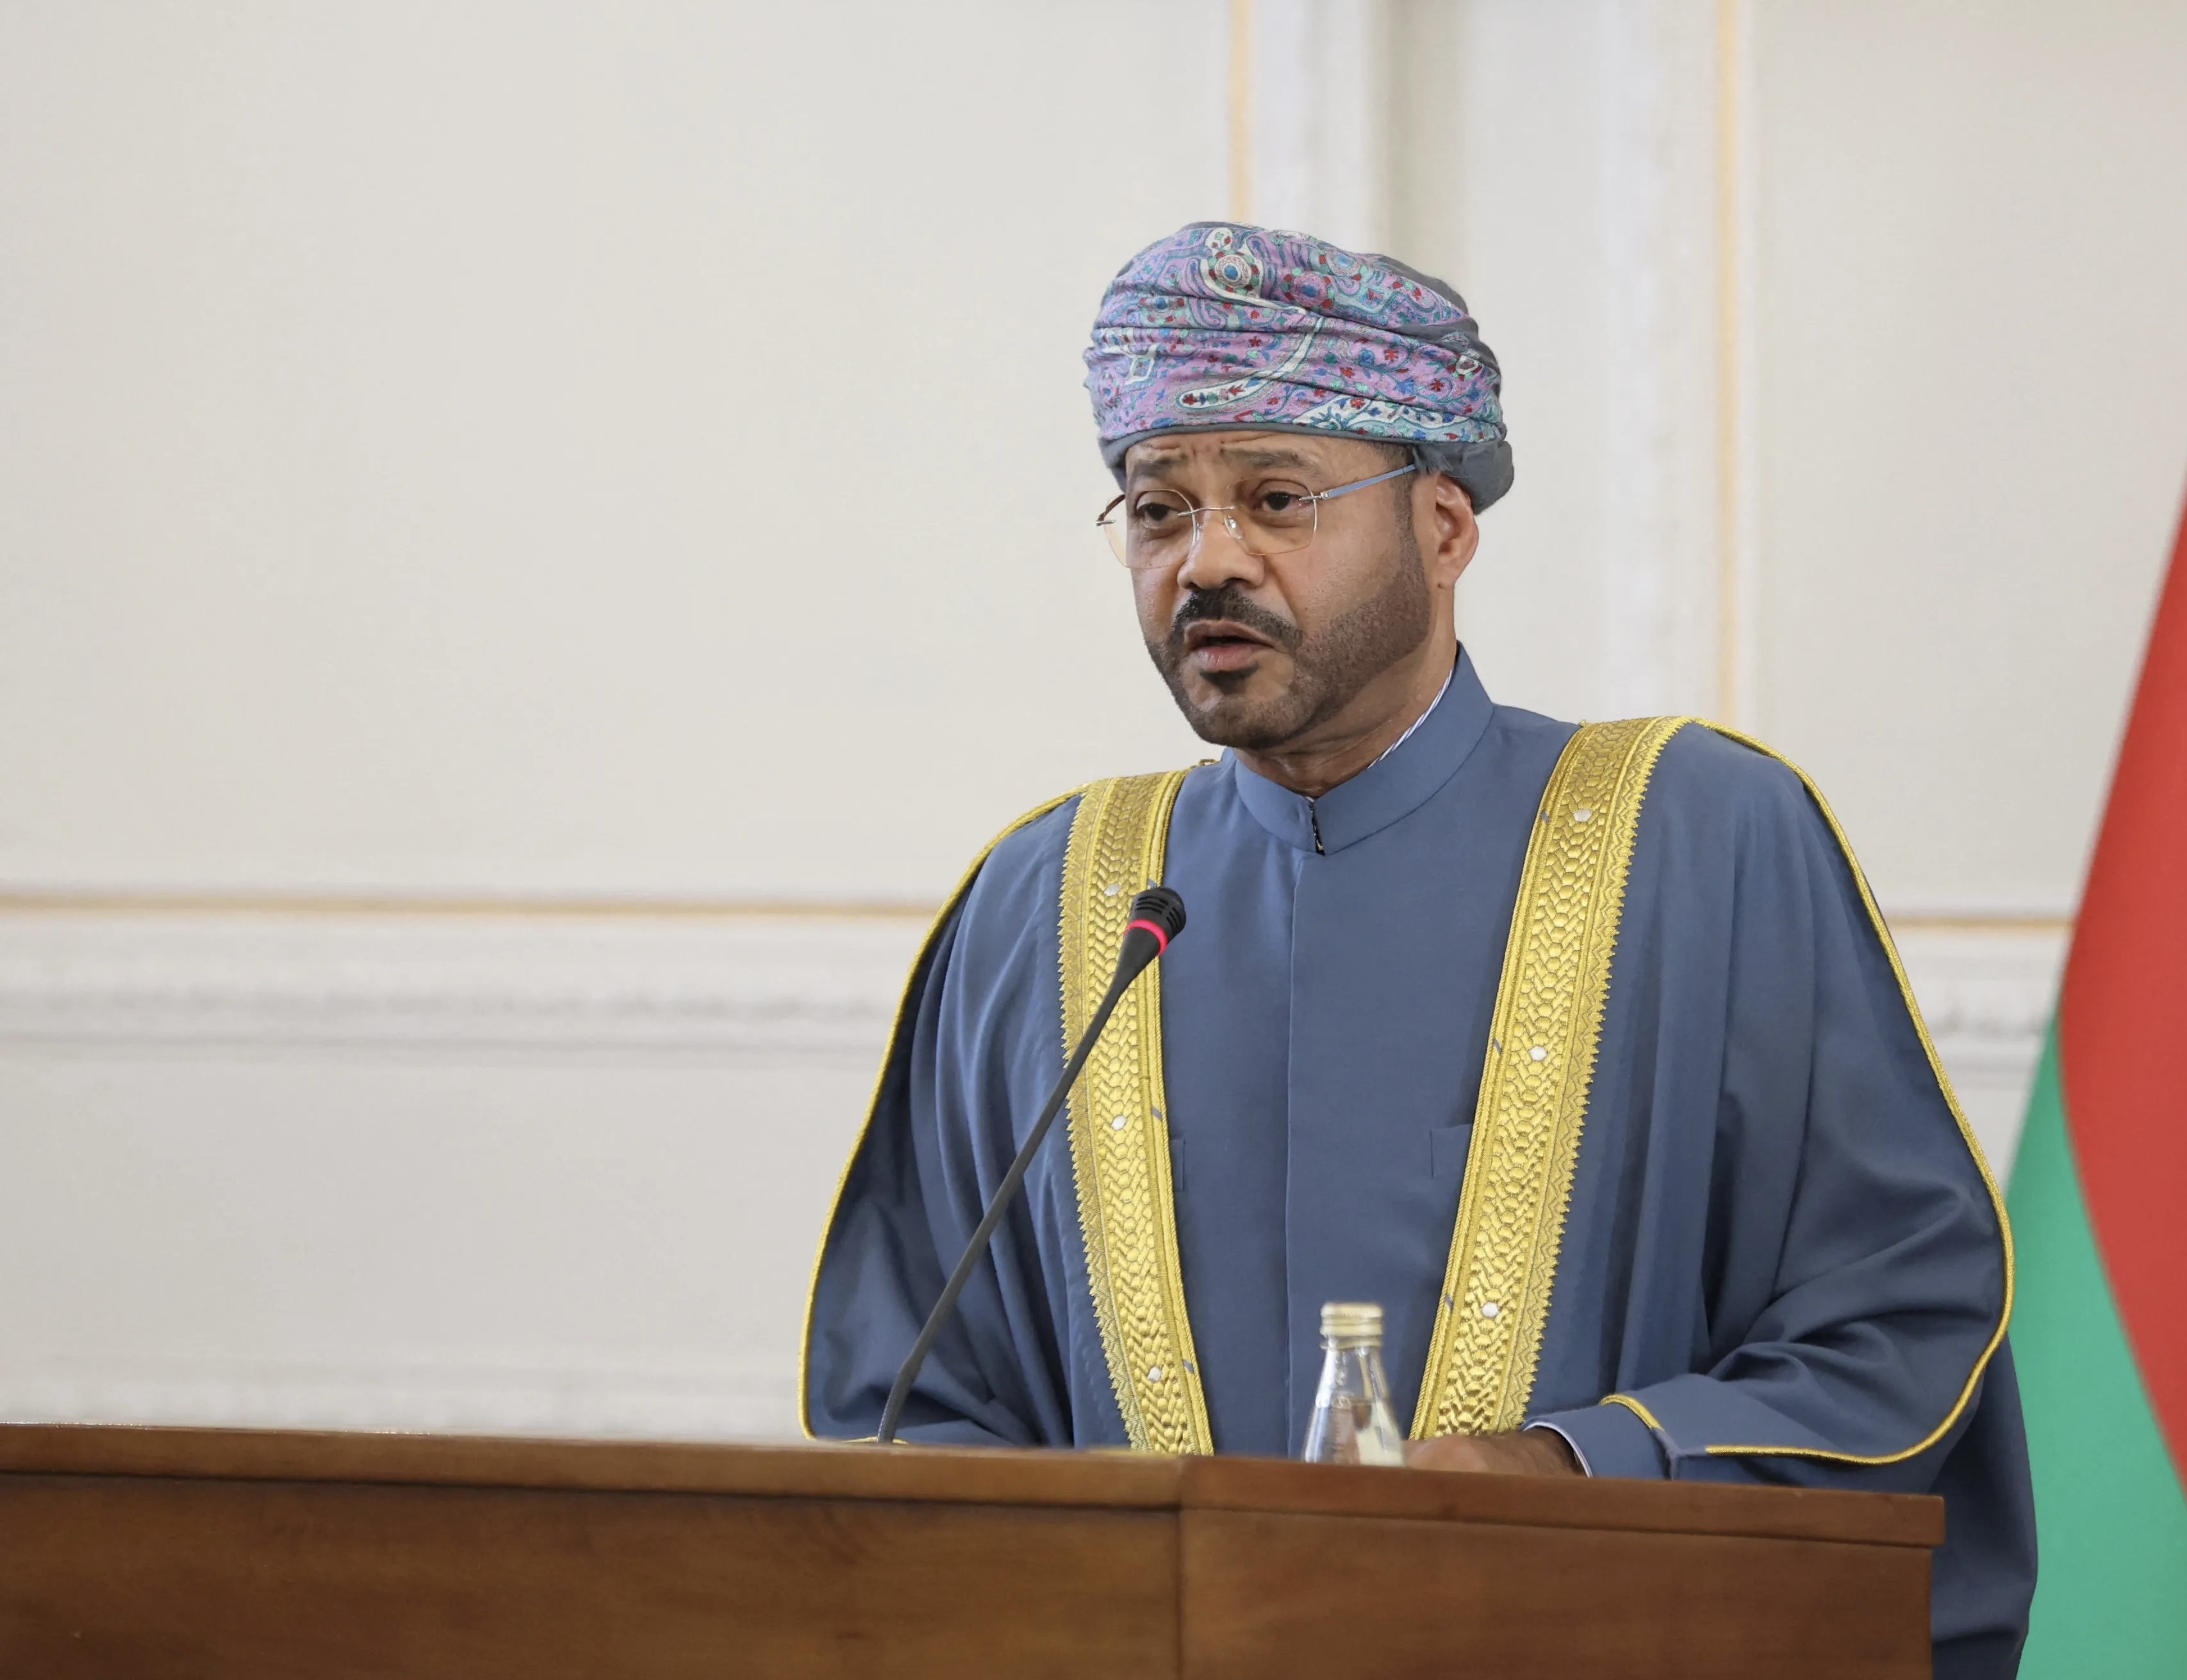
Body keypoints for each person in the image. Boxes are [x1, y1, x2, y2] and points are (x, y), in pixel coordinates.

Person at [803, 221, 2033, 1677]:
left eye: (1275, 499)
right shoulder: (1048, 900)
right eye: (1156, 509)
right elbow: (914, 1411)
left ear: (1444, 529)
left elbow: (1892, 1327)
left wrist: (1567, 1467)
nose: (1207, 562)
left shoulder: (1699, 838)